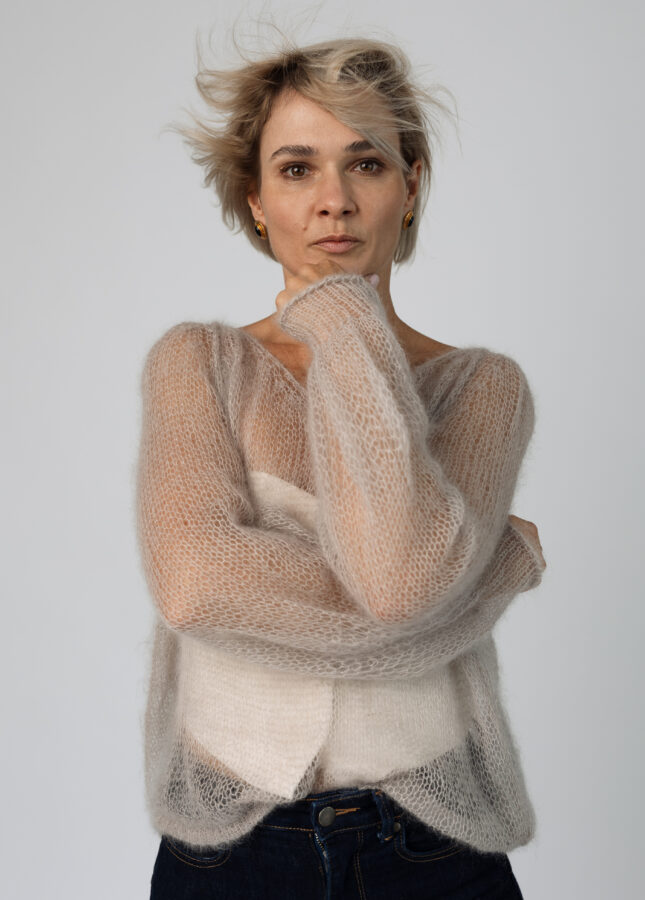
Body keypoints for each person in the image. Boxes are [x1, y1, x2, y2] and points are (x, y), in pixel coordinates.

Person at [135, 33, 547, 900]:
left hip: (430, 854)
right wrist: (484, 570)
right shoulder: (197, 362)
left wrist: (342, 322)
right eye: (296, 169)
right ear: (255, 200)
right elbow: (195, 587)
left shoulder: (482, 386)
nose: (334, 201)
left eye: (365, 163)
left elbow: (397, 584)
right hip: (232, 855)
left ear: (411, 185)